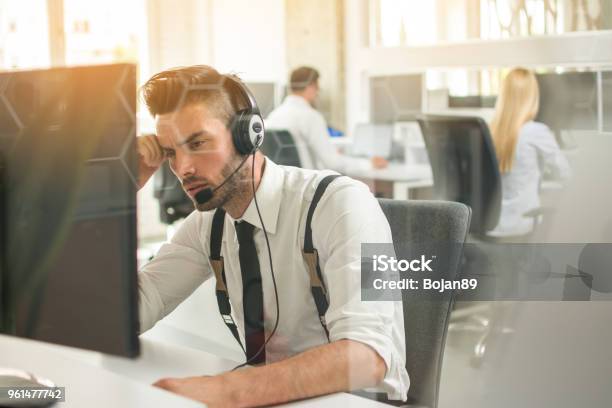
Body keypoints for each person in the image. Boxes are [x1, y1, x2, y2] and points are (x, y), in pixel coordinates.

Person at [136, 65, 409, 407]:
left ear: (247, 135)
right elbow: (131, 312)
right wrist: (114, 193)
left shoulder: (342, 204)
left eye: (198, 143)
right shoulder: (209, 223)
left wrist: (228, 390)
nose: (183, 168)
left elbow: (369, 355)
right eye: (171, 153)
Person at [488, 67, 571, 236]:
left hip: (492, 225)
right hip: (522, 223)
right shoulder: (536, 132)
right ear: (532, 97)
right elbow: (565, 173)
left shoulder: (490, 131)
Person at [266, 66, 388, 172]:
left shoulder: (274, 115)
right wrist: (368, 164)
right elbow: (332, 163)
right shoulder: (310, 116)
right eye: (317, 87)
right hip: (308, 187)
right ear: (312, 86)